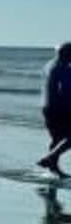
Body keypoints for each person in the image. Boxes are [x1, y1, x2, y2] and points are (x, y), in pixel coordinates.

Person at [38, 43, 71, 175]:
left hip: (46, 106)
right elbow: (64, 90)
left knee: (57, 138)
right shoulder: (63, 68)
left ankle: (53, 167)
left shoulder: (50, 65)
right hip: (59, 107)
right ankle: (50, 158)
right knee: (68, 137)